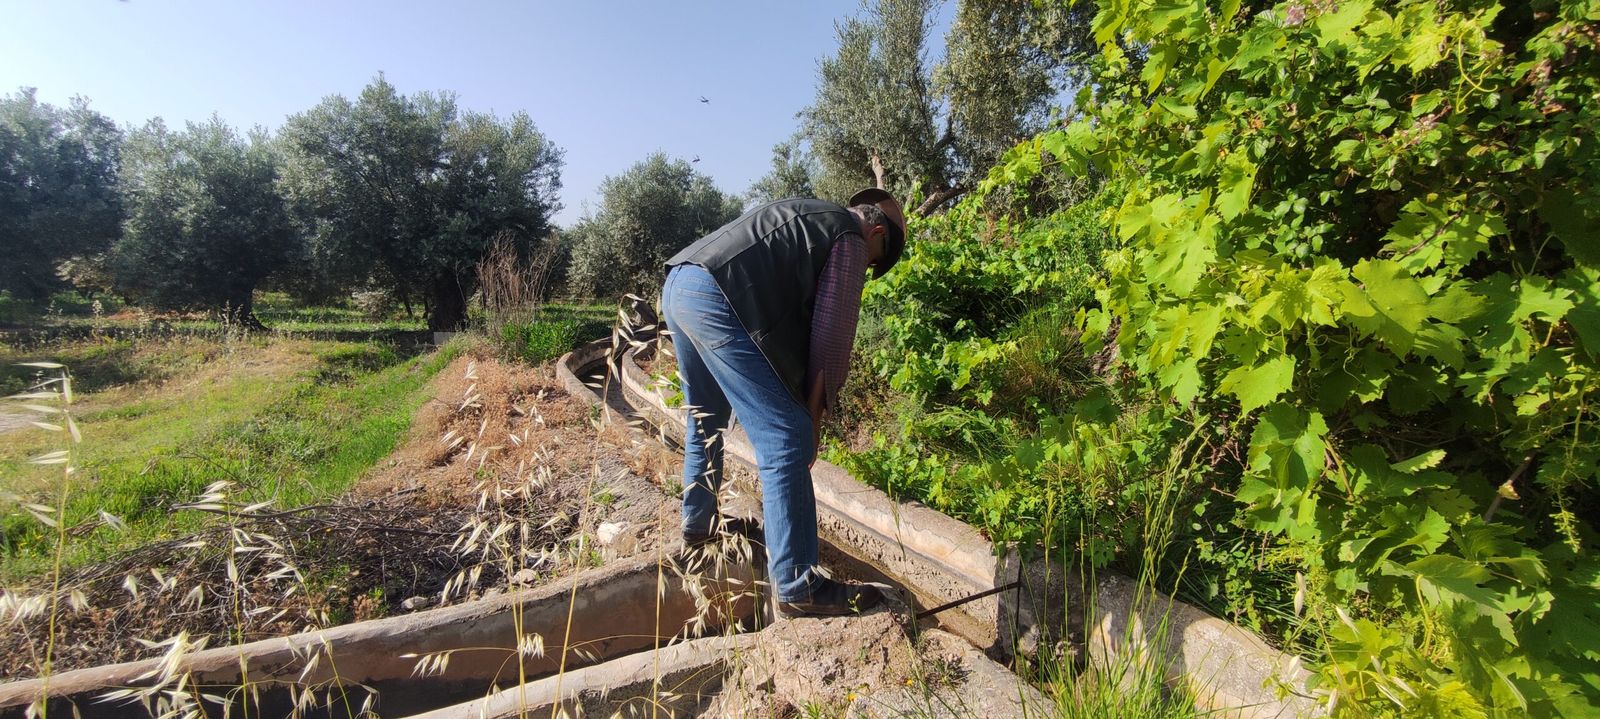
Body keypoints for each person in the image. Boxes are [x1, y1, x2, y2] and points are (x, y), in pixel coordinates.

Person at [659, 188, 906, 618]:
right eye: (873, 263)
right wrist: (811, 422)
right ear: (877, 234)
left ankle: (698, 528)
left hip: (681, 283)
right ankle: (797, 584)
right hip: (715, 294)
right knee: (786, 435)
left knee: (706, 420)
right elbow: (831, 342)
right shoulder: (849, 236)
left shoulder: (809, 213)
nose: (866, 269)